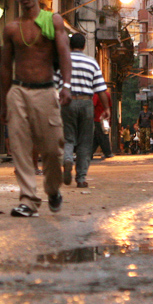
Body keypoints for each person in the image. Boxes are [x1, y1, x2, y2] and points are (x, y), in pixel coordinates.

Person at [0, 0, 72, 217]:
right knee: (20, 147)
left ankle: (52, 189)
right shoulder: (11, 28)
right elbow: (5, 67)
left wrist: (67, 85)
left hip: (45, 90)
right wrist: (3, 103)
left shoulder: (52, 21)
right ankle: (28, 200)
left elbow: (64, 54)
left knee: (52, 148)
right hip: (18, 91)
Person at [59, 33, 110, 188]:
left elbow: (54, 85)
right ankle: (81, 178)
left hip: (67, 103)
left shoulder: (62, 61)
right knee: (85, 141)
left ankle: (67, 159)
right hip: (86, 103)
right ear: (84, 46)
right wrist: (106, 108)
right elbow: (100, 89)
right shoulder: (91, 62)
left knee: (68, 137)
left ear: (69, 45)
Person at [92, 92, 114, 160]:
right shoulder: (107, 94)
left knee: (102, 136)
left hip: (97, 118)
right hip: (105, 118)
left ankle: (108, 152)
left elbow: (93, 105)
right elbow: (110, 106)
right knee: (97, 137)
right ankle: (89, 153)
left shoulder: (96, 95)